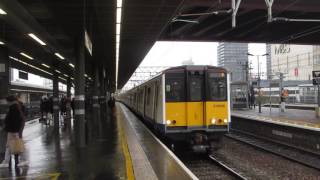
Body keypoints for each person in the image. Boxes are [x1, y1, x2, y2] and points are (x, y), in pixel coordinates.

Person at [0, 95, 25, 168]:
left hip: (13, 130)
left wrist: (13, 130)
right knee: (9, 146)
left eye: (7, 101)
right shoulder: (15, 107)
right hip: (13, 130)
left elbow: (14, 120)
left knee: (17, 145)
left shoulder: (14, 108)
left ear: (9, 101)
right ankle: (6, 161)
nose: (6, 103)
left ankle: (23, 160)